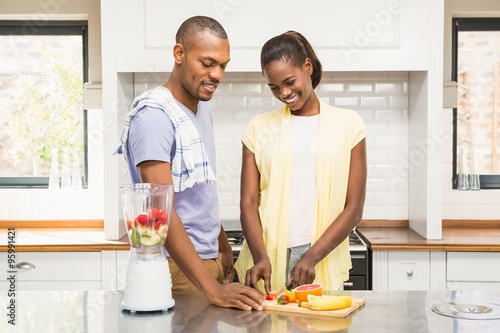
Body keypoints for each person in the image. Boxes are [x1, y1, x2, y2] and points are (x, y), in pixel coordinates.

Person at [121, 16, 264, 311]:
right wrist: (211, 288)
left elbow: (198, 192)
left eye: (223, 65)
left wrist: (222, 244)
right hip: (179, 267)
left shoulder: (200, 109)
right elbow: (161, 209)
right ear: (179, 54)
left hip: (205, 262)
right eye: (207, 63)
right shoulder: (154, 117)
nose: (217, 74)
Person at [235, 31, 367, 295]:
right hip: (266, 260)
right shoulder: (258, 128)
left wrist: (311, 257)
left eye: (289, 81)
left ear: (307, 66)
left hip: (321, 258)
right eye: (274, 87)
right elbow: (248, 202)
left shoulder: (349, 125)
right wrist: (260, 257)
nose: (284, 93)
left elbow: (353, 207)